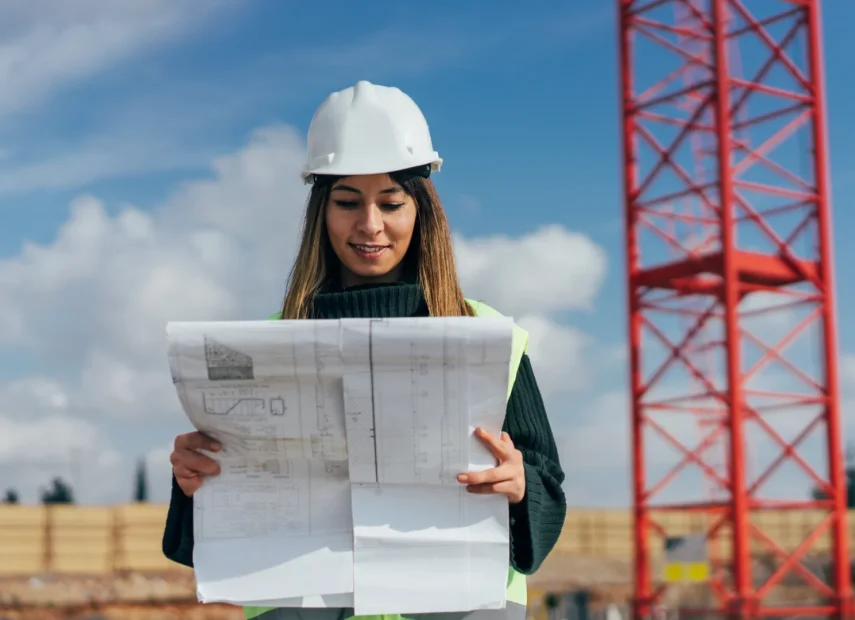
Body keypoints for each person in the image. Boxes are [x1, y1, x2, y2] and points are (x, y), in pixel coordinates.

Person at [162, 80, 566, 620]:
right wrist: (193, 481)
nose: (369, 225)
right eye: (347, 202)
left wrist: (521, 486)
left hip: (460, 601)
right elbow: (210, 534)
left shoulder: (485, 333)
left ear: (421, 210)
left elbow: (545, 486)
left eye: (391, 203)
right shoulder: (265, 345)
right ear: (319, 214)